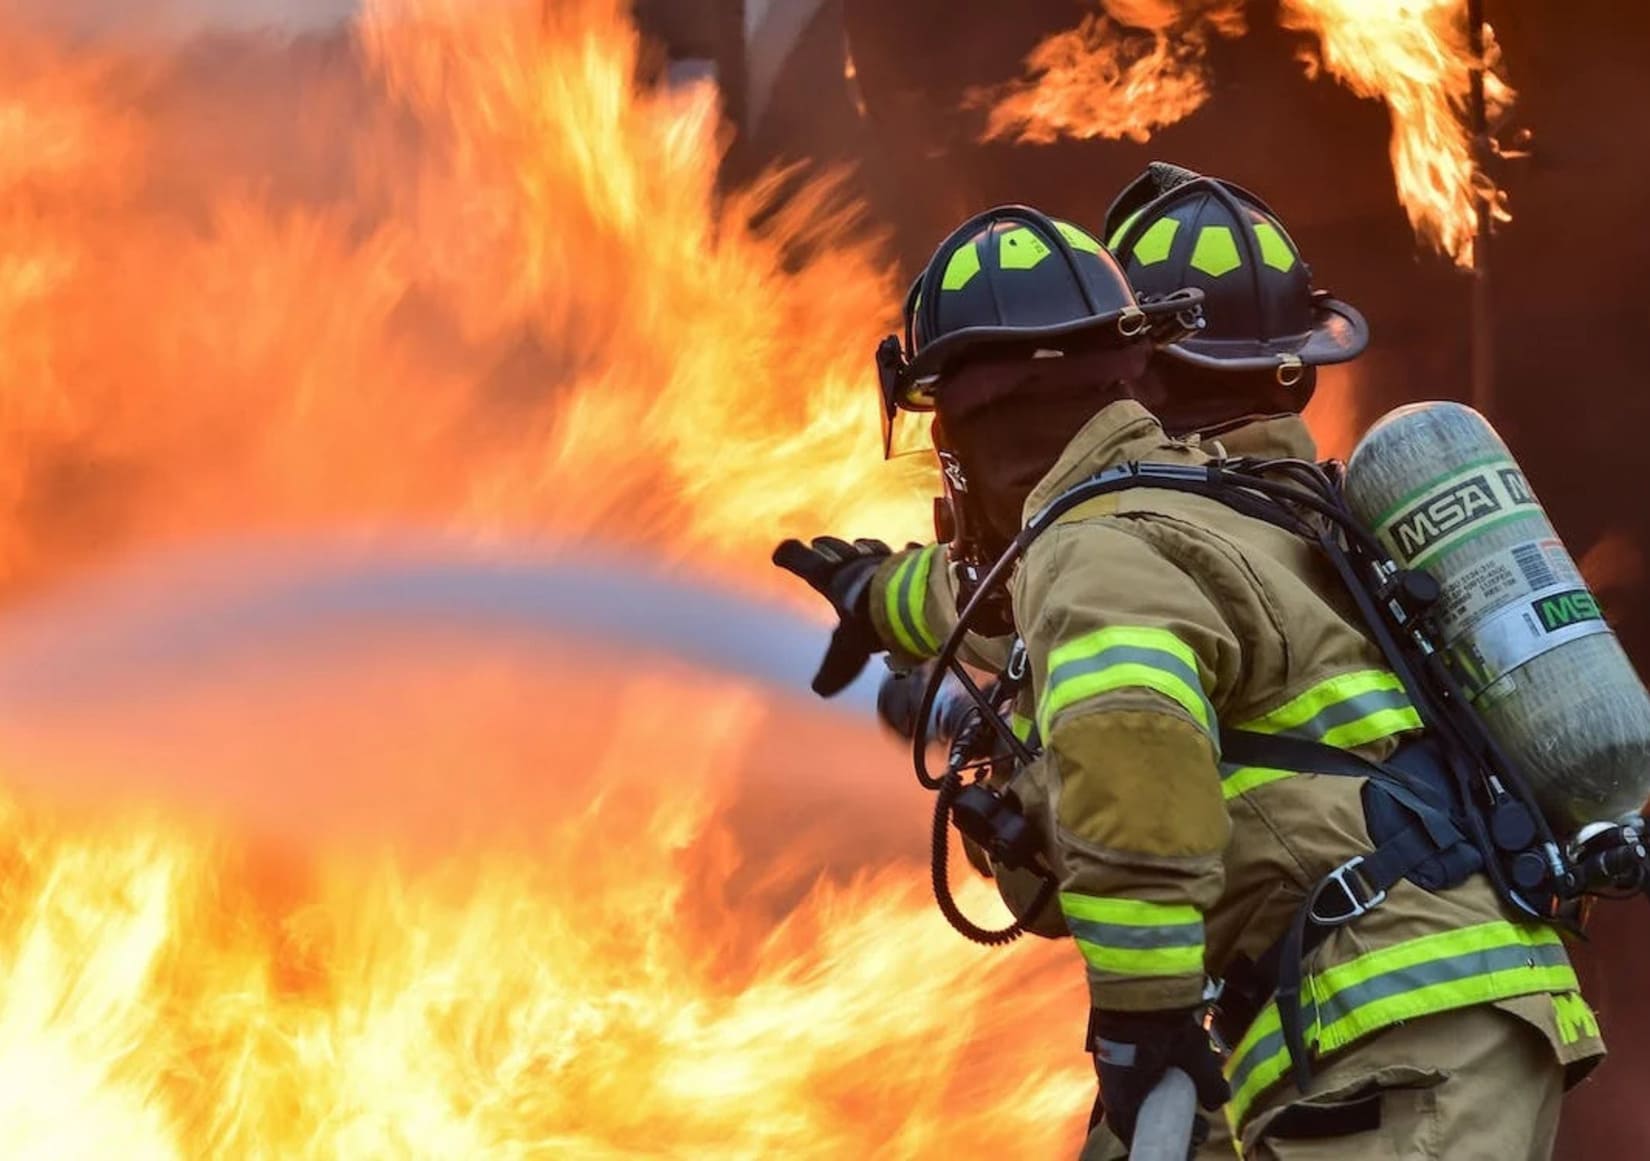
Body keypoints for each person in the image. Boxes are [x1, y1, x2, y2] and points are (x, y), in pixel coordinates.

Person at [774, 167, 1604, 1160]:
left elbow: (1131, 763)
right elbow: (997, 602)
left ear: (963, 434)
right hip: (1382, 1016)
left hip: (1390, 1024)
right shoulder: (1212, 514)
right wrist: (880, 601)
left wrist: (1141, 1021)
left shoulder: (1101, 548)